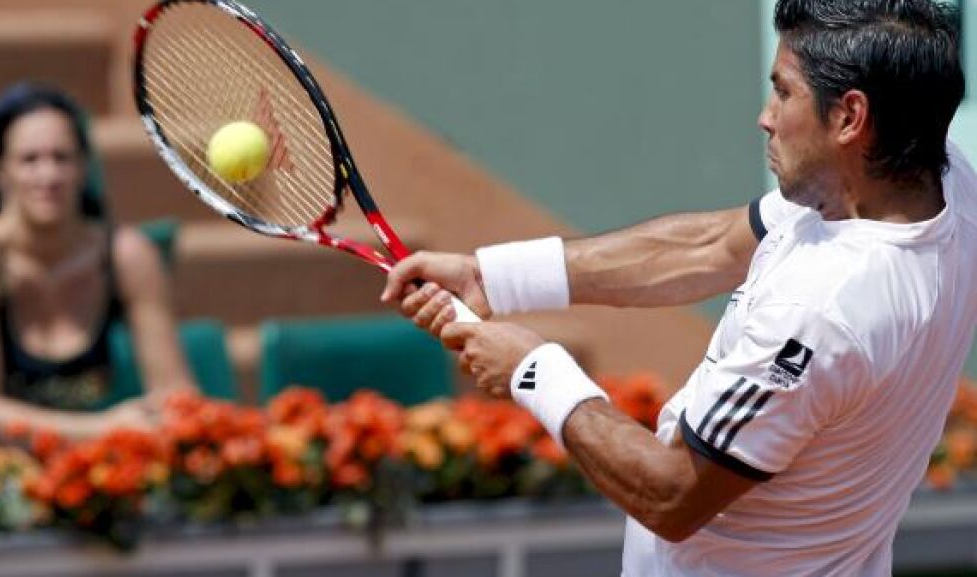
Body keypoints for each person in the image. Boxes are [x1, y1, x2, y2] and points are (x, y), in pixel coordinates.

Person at [382, 1, 977, 574]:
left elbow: (671, 494)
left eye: (784, 91)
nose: (765, 116)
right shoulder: (937, 182)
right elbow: (715, 246)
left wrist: (533, 370)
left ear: (850, 118)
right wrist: (492, 277)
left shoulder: (822, 310)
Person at [0, 84, 195, 456]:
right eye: (29, 160)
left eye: (61, 157)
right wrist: (100, 430)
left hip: (93, 467)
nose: (48, 175)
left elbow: (177, 393)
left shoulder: (127, 254)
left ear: (83, 167)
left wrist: (165, 421)